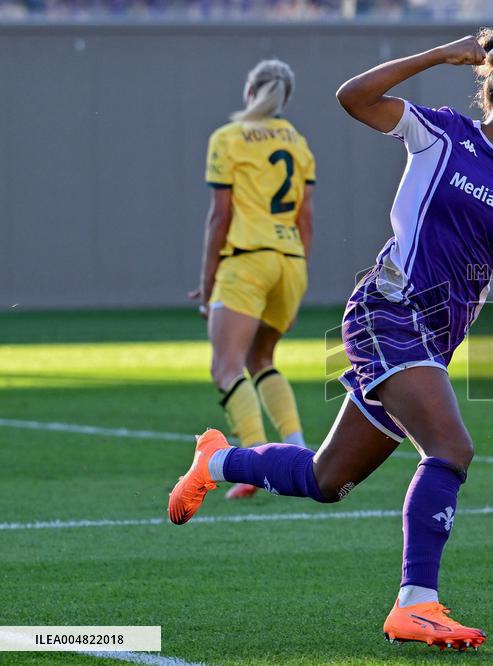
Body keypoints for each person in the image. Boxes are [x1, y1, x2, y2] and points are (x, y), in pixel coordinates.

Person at [169, 28, 493, 651]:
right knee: (451, 449)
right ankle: (417, 604)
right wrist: (441, 55)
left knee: (327, 480)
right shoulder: (440, 134)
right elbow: (353, 96)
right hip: (388, 313)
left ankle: (215, 461)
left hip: (435, 341)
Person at [190, 59, 315, 500]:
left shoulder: (226, 138)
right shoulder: (297, 142)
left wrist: (208, 283)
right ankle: (297, 447)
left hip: (247, 259)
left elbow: (219, 216)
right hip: (290, 262)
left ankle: (254, 462)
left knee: (225, 366)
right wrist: (295, 285)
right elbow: (306, 219)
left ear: (249, 90)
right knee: (262, 357)